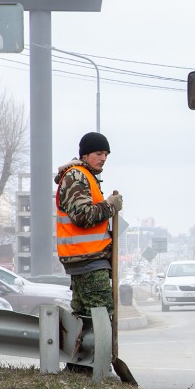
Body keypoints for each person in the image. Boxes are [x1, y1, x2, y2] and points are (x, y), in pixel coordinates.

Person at [55, 131, 123, 325]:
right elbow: (82, 216)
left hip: (85, 261)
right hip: (88, 261)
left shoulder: (85, 176)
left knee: (87, 323)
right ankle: (99, 356)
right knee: (100, 322)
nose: (104, 158)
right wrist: (110, 205)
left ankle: (91, 355)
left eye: (106, 155)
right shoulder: (77, 176)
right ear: (85, 155)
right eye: (99, 153)